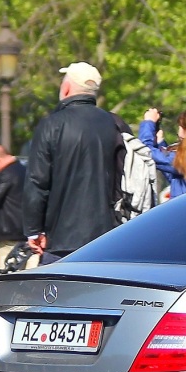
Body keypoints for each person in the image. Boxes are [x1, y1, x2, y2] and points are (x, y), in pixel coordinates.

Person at [24, 62, 125, 264]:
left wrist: (34, 230)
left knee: (54, 294)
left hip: (61, 239)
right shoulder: (114, 124)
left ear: (67, 87)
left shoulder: (52, 124)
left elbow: (37, 182)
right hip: (106, 236)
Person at [0, 145, 27, 266]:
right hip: (24, 230)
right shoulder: (24, 170)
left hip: (8, 230)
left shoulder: (5, 174)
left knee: (7, 270)